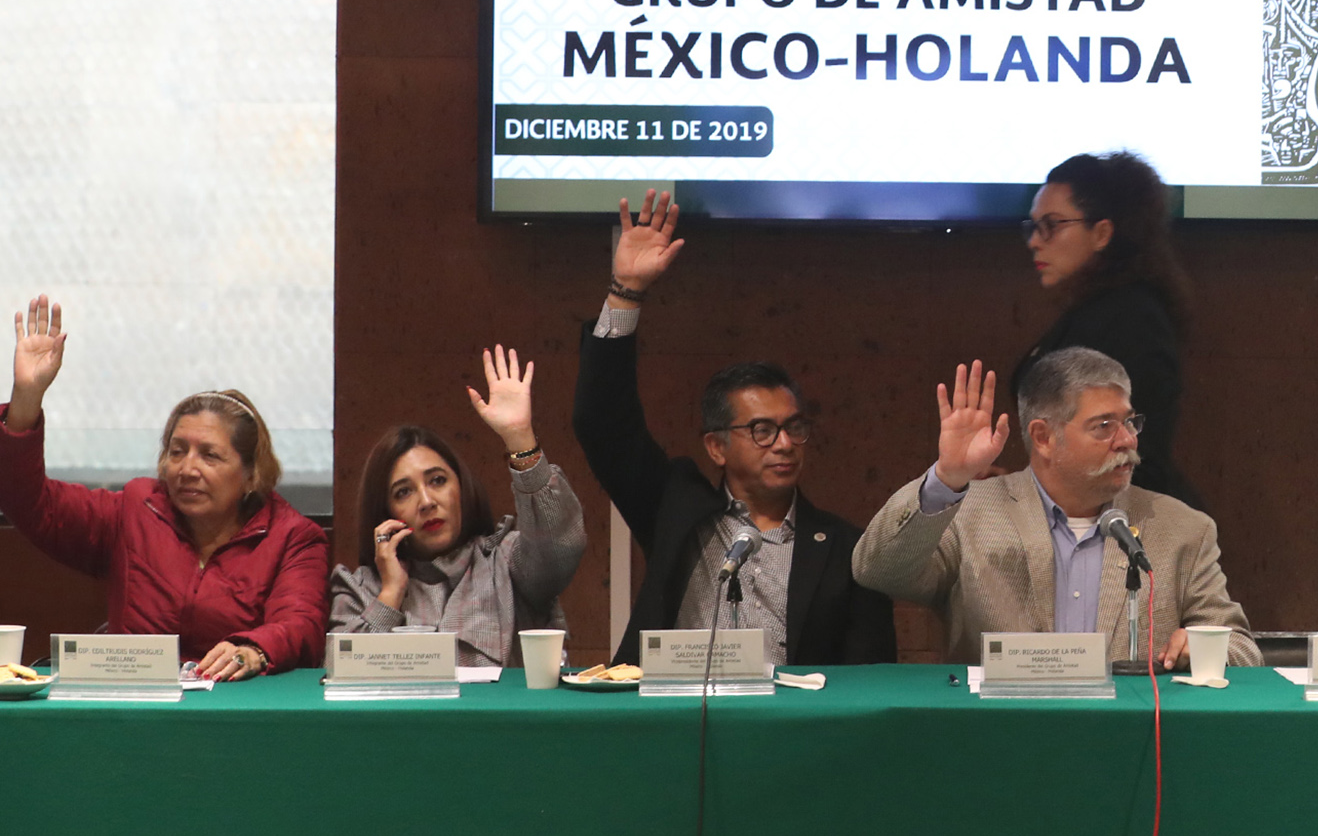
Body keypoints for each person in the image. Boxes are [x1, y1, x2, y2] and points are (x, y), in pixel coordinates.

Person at [576, 191, 897, 667]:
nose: (785, 444)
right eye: (762, 430)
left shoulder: (846, 551)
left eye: (794, 427)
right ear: (717, 446)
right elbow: (604, 422)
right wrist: (626, 291)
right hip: (680, 709)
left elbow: (867, 684)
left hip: (792, 715)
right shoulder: (677, 513)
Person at [852, 347, 1261, 671]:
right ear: (1043, 437)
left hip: (1128, 740)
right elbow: (878, 571)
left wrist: (1202, 649)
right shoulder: (969, 513)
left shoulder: (1183, 528)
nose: (1127, 440)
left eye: (1129, 422)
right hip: (999, 736)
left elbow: (1243, 648)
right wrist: (945, 479)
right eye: (1104, 426)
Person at [0, 295, 326, 677]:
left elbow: (301, 624)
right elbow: (30, 502)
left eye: (210, 456)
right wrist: (27, 398)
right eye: (177, 451)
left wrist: (253, 650)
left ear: (251, 473)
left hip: (236, 700)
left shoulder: (293, 538)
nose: (187, 469)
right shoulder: (136, 508)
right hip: (136, 699)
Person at [330, 346, 587, 667]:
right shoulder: (361, 588)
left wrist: (521, 440)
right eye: (403, 492)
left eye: (437, 481)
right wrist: (391, 593)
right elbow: (340, 671)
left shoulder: (507, 563)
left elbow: (561, 546)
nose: (427, 502)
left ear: (461, 488)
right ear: (386, 512)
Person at [1012, 151, 1202, 508]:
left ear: (1101, 233)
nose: (1034, 240)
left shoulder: (1132, 320)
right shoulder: (1095, 310)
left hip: (1120, 529)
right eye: (1033, 226)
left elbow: (1133, 460)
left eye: (1051, 225)